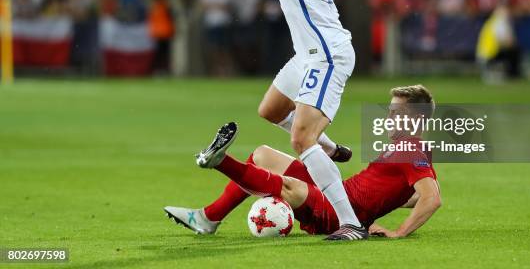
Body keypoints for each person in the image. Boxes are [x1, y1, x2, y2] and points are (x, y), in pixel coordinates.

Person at [222, 0, 394, 240]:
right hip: (307, 54)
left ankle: (350, 223)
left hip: (327, 54)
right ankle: (330, 147)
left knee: (301, 140)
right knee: (270, 109)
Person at [165, 85, 442, 238]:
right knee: (263, 155)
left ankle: (220, 161)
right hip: (340, 195)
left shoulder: (411, 149)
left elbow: (432, 198)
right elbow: (418, 194)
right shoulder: (405, 148)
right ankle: (209, 218)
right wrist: (388, 204)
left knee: (290, 188)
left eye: (396, 112)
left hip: (338, 214)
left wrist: (399, 232)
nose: (388, 117)